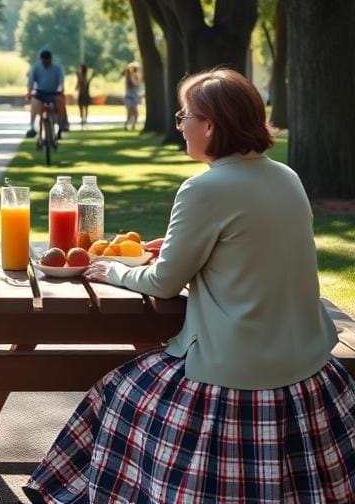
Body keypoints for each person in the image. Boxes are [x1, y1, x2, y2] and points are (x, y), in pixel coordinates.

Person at [24, 68, 355, 503]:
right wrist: (180, 248)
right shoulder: (286, 177)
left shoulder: (203, 189)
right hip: (306, 364)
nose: (180, 126)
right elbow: (248, 248)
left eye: (185, 117)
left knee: (116, 393)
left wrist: (111, 270)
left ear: (211, 124)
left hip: (234, 369)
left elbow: (163, 284)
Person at [26, 49, 67, 139]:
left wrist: (61, 90)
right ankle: (33, 127)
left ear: (50, 59)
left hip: (53, 92)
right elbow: (31, 81)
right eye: (43, 60)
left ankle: (60, 126)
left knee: (60, 106)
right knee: (34, 106)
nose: (45, 62)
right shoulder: (36, 67)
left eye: (47, 60)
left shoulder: (57, 68)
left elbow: (61, 81)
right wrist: (29, 92)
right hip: (40, 92)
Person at [123, 61, 141, 130]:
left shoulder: (136, 77)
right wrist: (131, 73)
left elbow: (138, 85)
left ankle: (133, 126)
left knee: (136, 113)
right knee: (129, 113)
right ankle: (126, 126)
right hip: (129, 97)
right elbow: (134, 84)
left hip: (134, 97)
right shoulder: (128, 78)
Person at [75, 63, 93, 129]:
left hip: (83, 94)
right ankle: (84, 120)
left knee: (82, 107)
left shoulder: (82, 78)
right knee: (85, 107)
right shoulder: (85, 78)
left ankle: (83, 120)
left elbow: (77, 87)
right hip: (85, 94)